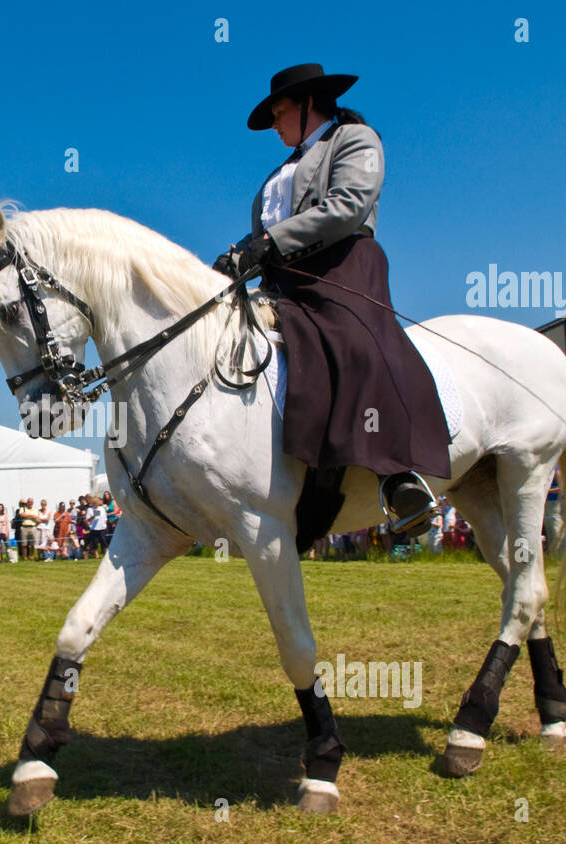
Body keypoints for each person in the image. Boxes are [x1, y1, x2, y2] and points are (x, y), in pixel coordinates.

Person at [214, 63, 450, 540]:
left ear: (306, 105)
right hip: (284, 279)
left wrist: (270, 243)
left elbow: (347, 205)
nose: (275, 125)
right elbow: (266, 233)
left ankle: (399, 474)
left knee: (353, 344)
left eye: (278, 114)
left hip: (341, 268)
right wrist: (237, 255)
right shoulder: (278, 173)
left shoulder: (355, 140)